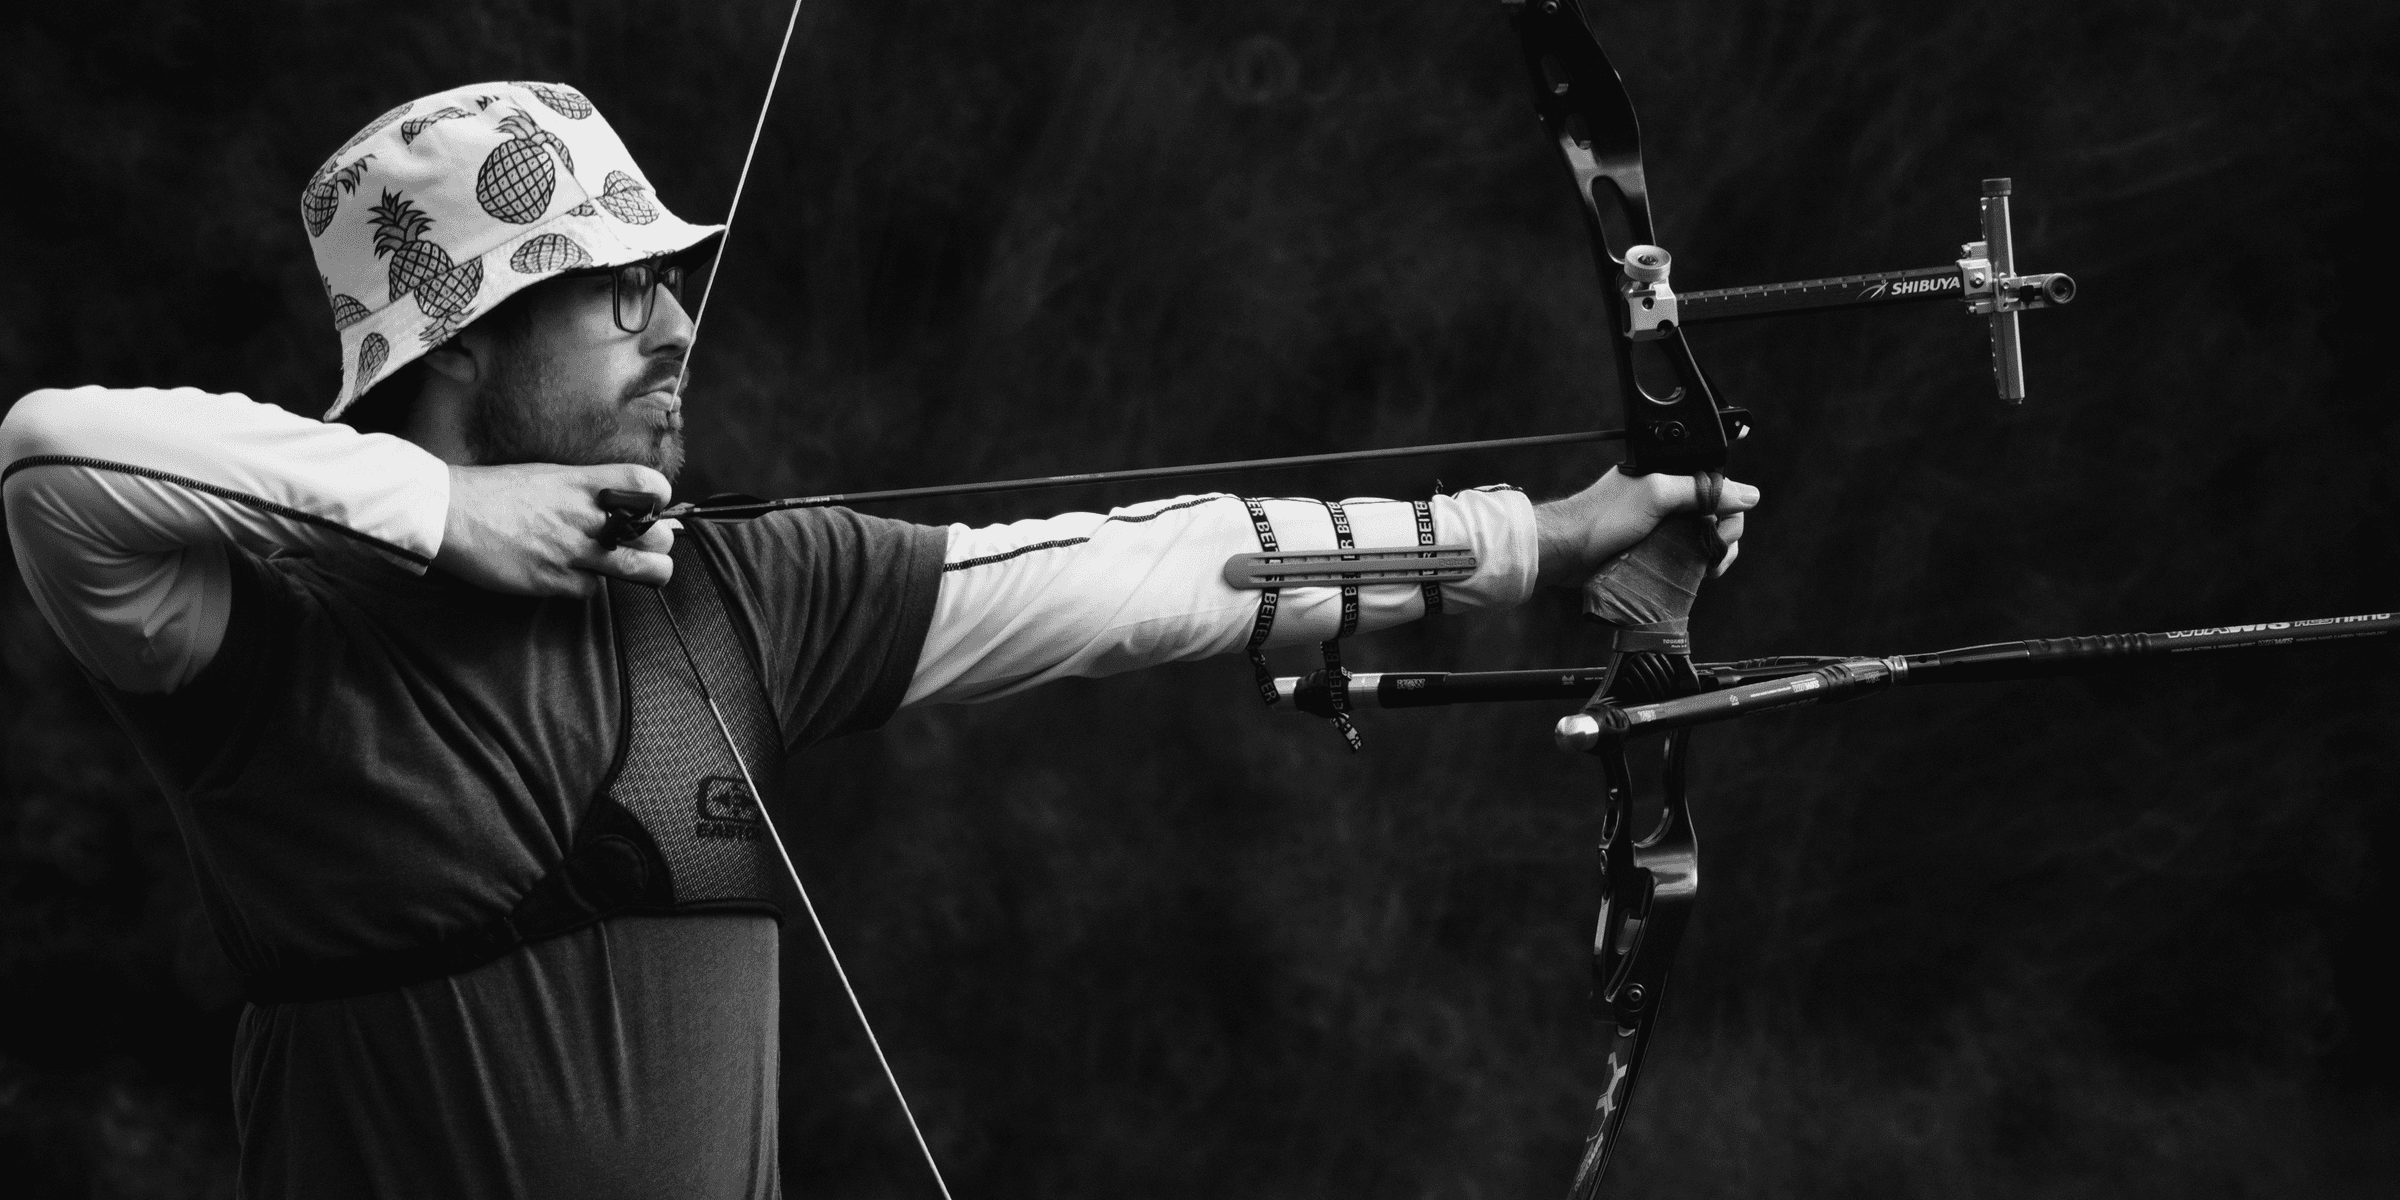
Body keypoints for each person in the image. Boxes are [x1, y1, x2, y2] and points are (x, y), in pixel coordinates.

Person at [0, 82, 1756, 1198]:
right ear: (460, 344)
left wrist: (1538, 538)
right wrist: (452, 519)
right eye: (617, 293)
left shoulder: (739, 598)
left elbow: (1165, 570)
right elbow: (52, 453)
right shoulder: (262, 635)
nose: (677, 323)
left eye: (671, 281)